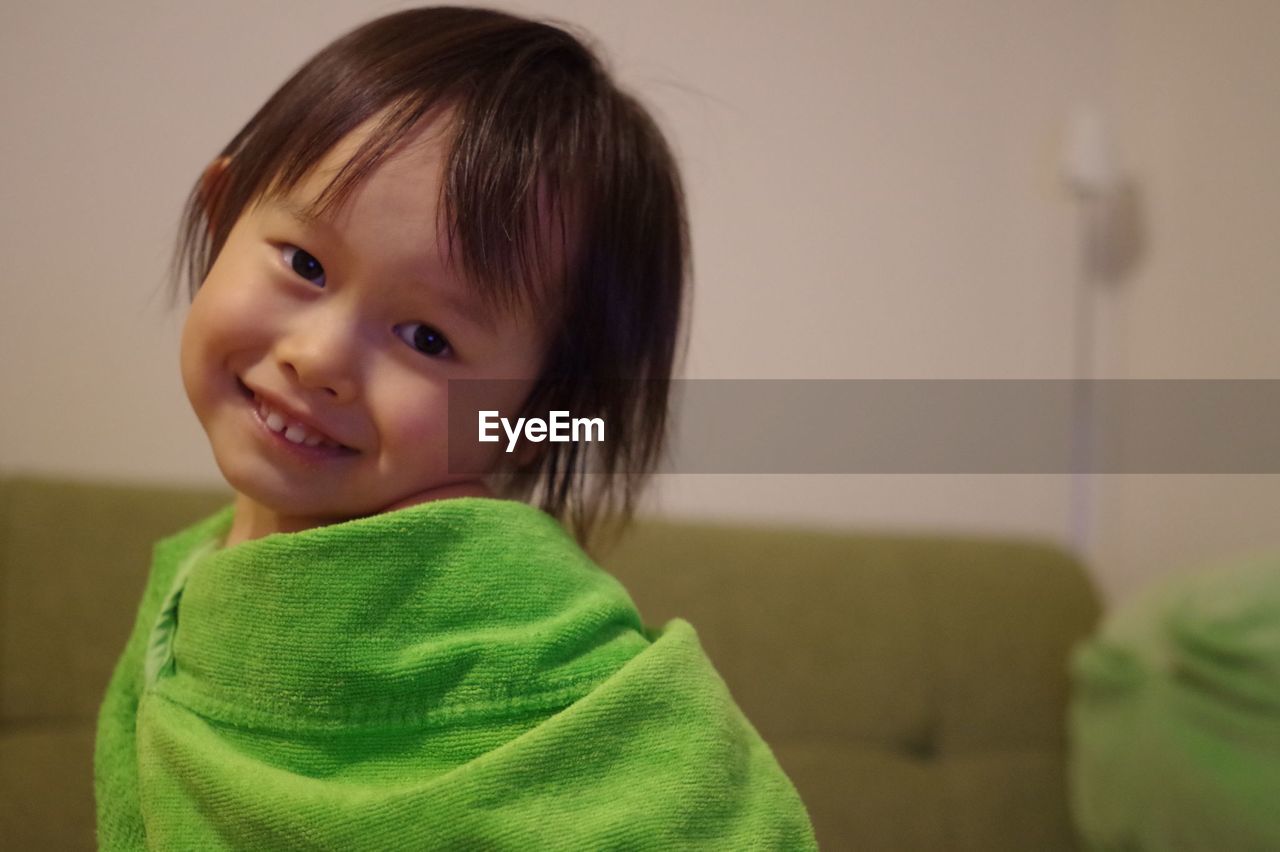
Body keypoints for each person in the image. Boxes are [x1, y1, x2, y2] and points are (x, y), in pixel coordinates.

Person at [93, 6, 818, 850]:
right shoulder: (187, 580)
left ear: (542, 413)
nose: (319, 357)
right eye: (305, 263)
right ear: (224, 215)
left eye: (428, 338)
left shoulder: (534, 637)